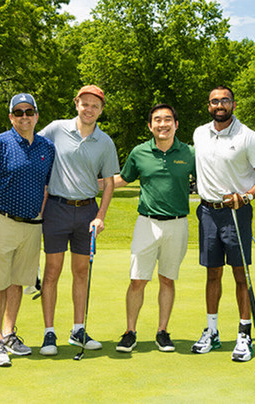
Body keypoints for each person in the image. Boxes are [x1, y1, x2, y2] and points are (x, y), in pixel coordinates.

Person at [190, 85, 255, 362]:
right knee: (212, 274)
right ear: (209, 106)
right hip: (207, 212)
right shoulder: (199, 133)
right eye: (214, 101)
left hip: (237, 213)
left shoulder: (249, 137)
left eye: (224, 100)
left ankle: (243, 334)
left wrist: (246, 196)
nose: (219, 105)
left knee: (241, 275)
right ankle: (212, 332)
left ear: (233, 105)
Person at [33, 85, 119, 356]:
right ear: (76, 103)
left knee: (81, 272)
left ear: (101, 110)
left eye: (95, 106)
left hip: (86, 213)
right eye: (85, 104)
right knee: (52, 272)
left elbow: (108, 184)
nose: (89, 109)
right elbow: (28, 140)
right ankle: (49, 333)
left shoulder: (105, 142)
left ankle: (77, 329)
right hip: (56, 209)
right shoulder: (57, 129)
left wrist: (100, 216)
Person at [0, 93, 55, 367]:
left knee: (18, 281)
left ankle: (9, 333)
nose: (24, 116)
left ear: (37, 115)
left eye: (29, 111)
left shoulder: (47, 147)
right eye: (18, 112)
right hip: (1, 221)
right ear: (11, 117)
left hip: (31, 226)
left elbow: (45, 185)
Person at [109, 103, 195, 353]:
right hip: (146, 223)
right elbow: (123, 179)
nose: (163, 124)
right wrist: (88, 184)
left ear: (176, 125)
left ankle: (162, 331)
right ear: (150, 126)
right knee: (137, 280)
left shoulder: (189, 153)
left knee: (167, 279)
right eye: (157, 120)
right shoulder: (139, 152)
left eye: (168, 119)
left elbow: (210, 176)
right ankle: (130, 332)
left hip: (178, 224)